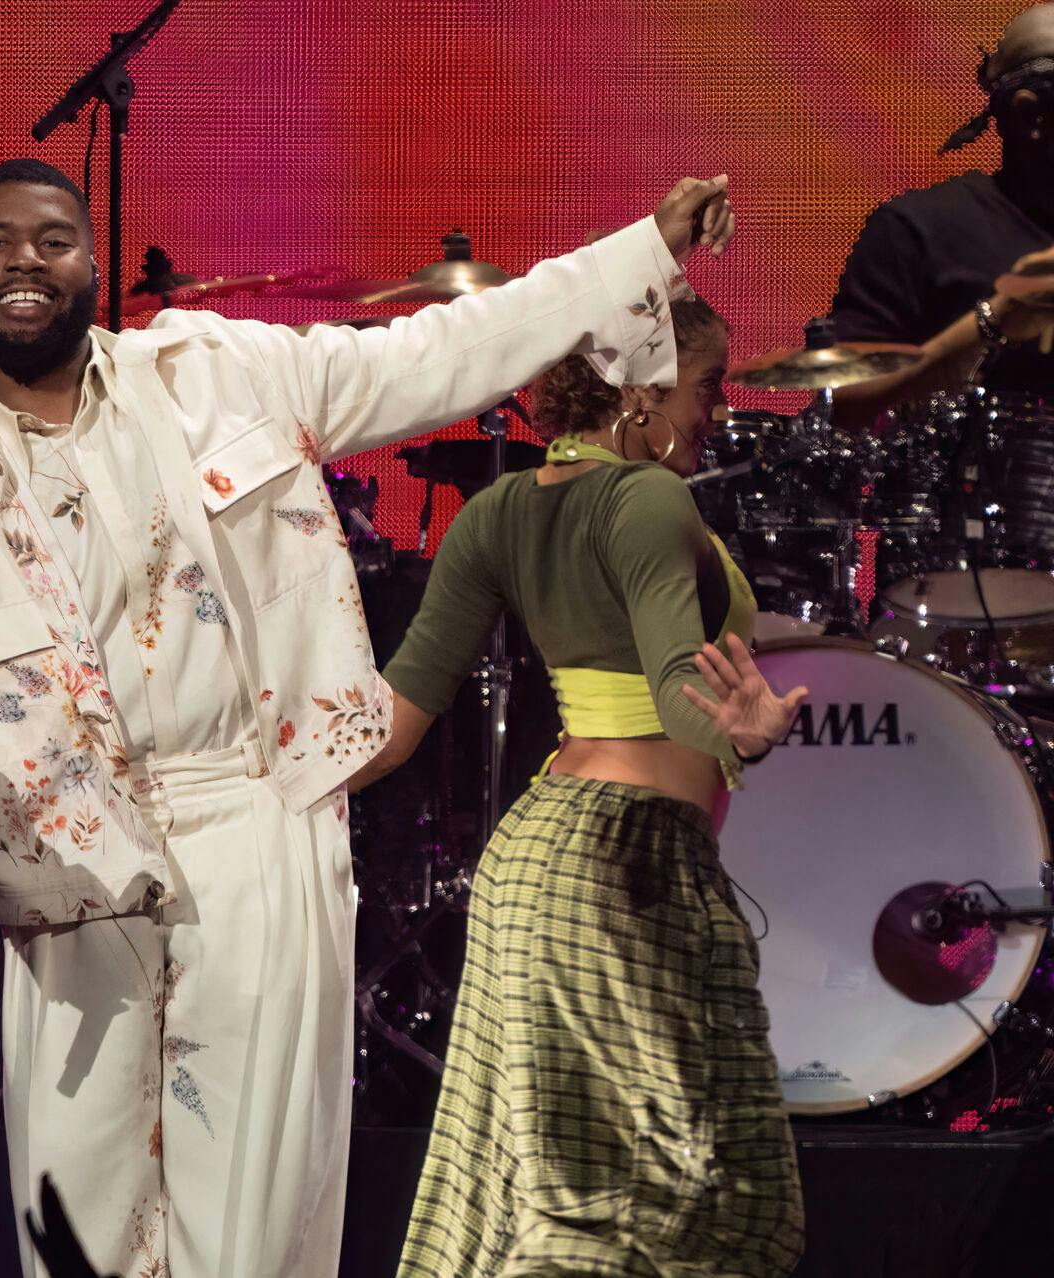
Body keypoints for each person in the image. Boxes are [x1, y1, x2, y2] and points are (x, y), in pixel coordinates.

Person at [0, 156, 734, 1278]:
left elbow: (439, 352)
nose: (24, 262)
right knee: (76, 1214)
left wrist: (637, 252)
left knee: (247, 1205)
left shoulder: (221, 373)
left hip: (251, 811)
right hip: (71, 855)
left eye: (52, 240)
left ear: (93, 266)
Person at [360, 295, 809, 1277]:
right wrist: (742, 730)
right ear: (643, 392)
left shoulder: (496, 510)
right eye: (706, 388)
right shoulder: (647, 499)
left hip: (545, 865)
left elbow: (391, 727)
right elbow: (673, 685)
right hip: (619, 865)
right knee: (611, 1218)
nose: (718, 412)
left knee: (730, 1206)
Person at [831, 5, 1054, 422]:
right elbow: (842, 406)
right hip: (984, 484)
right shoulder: (917, 230)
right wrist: (993, 323)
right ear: (1030, 115)